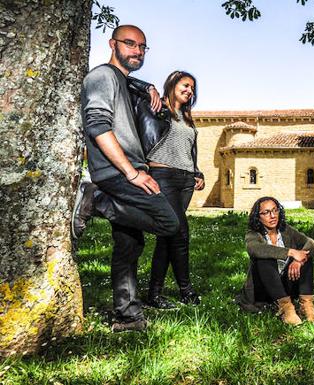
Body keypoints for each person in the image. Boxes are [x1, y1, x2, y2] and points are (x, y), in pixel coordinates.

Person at [73, 25, 180, 332]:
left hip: (126, 170)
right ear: (113, 43)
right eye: (130, 44)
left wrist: (148, 88)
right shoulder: (102, 77)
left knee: (129, 247)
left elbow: (134, 86)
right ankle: (95, 201)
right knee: (168, 223)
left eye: (142, 47)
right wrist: (132, 173)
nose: (137, 51)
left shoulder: (123, 81)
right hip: (117, 173)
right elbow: (97, 126)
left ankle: (128, 316)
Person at [129, 70, 205, 308]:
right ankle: (186, 290)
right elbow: (125, 82)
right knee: (180, 233)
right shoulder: (156, 108)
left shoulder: (187, 117)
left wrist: (197, 172)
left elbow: (186, 149)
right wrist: (148, 87)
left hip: (185, 181)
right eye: (185, 85)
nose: (189, 90)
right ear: (172, 84)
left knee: (168, 237)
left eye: (192, 87)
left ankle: (154, 294)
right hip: (163, 176)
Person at [236, 197, 314, 325]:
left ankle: (306, 306)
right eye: (266, 212)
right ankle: (286, 309)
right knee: (265, 258)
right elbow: (255, 249)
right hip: (264, 289)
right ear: (258, 217)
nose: (273, 215)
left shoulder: (285, 230)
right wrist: (290, 252)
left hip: (286, 285)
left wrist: (298, 261)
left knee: (305, 256)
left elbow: (311, 243)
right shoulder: (253, 233)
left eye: (275, 210)